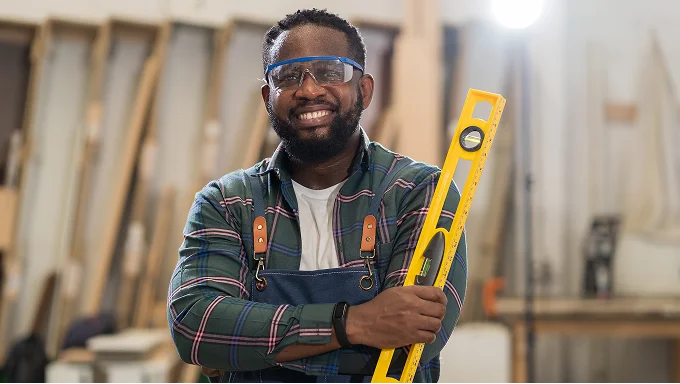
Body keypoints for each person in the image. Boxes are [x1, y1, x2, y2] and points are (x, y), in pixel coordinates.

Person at [167, 8, 467, 384]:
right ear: (267, 96)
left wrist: (247, 352)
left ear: (364, 90)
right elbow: (195, 327)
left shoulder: (418, 191)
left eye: (330, 72)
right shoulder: (227, 202)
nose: (309, 90)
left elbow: (412, 345)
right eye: (288, 76)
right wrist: (353, 324)